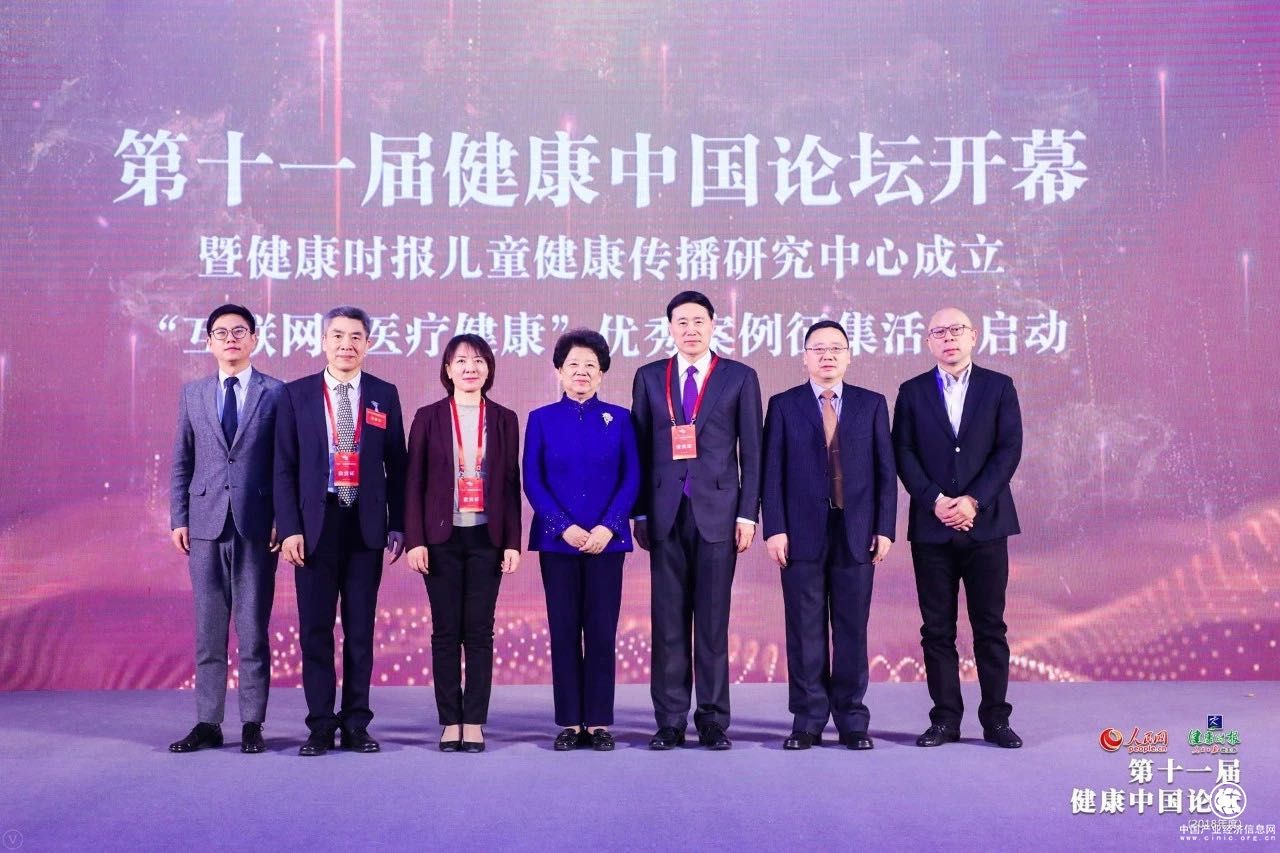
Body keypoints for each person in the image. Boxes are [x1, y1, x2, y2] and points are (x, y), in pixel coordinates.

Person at [631, 290, 762, 751]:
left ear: (713, 325)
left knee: (711, 624)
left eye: (698, 321)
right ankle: (669, 721)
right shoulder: (650, 377)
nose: (690, 329)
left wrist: (747, 514)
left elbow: (753, 452)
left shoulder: (739, 377)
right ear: (669, 328)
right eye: (681, 322)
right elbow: (639, 449)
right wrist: (639, 510)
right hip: (665, 513)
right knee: (667, 624)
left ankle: (712, 720)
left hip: (719, 516)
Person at [274, 306, 406, 756]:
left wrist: (398, 522)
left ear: (368, 344)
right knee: (315, 630)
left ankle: (355, 724)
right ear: (323, 341)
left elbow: (397, 464)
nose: (346, 344)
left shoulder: (383, 394)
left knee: (360, 631)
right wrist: (289, 529)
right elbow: (283, 468)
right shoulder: (296, 395)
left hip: (365, 525)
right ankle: (319, 726)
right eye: (337, 336)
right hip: (316, 525)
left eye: (355, 337)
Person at [892, 307, 1024, 749]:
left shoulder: (999, 386)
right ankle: (945, 720)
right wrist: (936, 500)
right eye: (939, 332)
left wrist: (973, 501)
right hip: (932, 529)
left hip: (986, 525)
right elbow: (903, 453)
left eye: (956, 330)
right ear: (928, 341)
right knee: (937, 630)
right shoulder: (911, 392)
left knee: (990, 627)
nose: (948, 338)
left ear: (973, 336)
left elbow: (1008, 449)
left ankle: (996, 720)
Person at [761, 320, 896, 751]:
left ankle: (853, 719)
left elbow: (886, 472)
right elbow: (771, 473)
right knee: (805, 629)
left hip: (857, 532)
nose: (827, 355)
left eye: (836, 348)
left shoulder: (872, 404)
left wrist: (885, 527)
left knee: (852, 628)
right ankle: (808, 719)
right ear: (805, 358)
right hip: (799, 534)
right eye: (818, 349)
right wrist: (775, 529)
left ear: (849, 356)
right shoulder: (783, 405)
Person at [168, 304, 282, 754]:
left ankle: (252, 722)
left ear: (254, 338)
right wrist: (179, 517)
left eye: (239, 331)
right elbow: (182, 460)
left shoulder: (276, 393)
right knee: (209, 630)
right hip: (204, 524)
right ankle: (208, 722)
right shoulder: (193, 394)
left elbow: (284, 464)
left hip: (257, 525)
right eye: (221, 332)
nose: (231, 339)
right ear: (209, 342)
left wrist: (282, 519)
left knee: (253, 630)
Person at [524, 330, 640, 752]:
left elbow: (632, 477)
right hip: (558, 543)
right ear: (558, 371)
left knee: (602, 631)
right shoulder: (541, 419)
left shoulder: (620, 418)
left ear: (602, 373)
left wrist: (609, 526)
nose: (582, 372)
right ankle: (571, 723)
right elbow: (532, 479)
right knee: (564, 630)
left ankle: (600, 722)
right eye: (573, 364)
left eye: (591, 365)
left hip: (607, 543)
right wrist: (563, 526)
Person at [404, 334, 521, 753]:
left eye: (479, 361)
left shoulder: (505, 418)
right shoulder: (428, 417)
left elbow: (510, 483)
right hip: (440, 538)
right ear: (448, 369)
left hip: (487, 537)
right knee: (445, 631)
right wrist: (415, 540)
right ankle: (449, 720)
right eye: (461, 361)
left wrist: (512, 543)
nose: (470, 368)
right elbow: (412, 482)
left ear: (489, 369)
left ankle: (474, 721)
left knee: (480, 631)